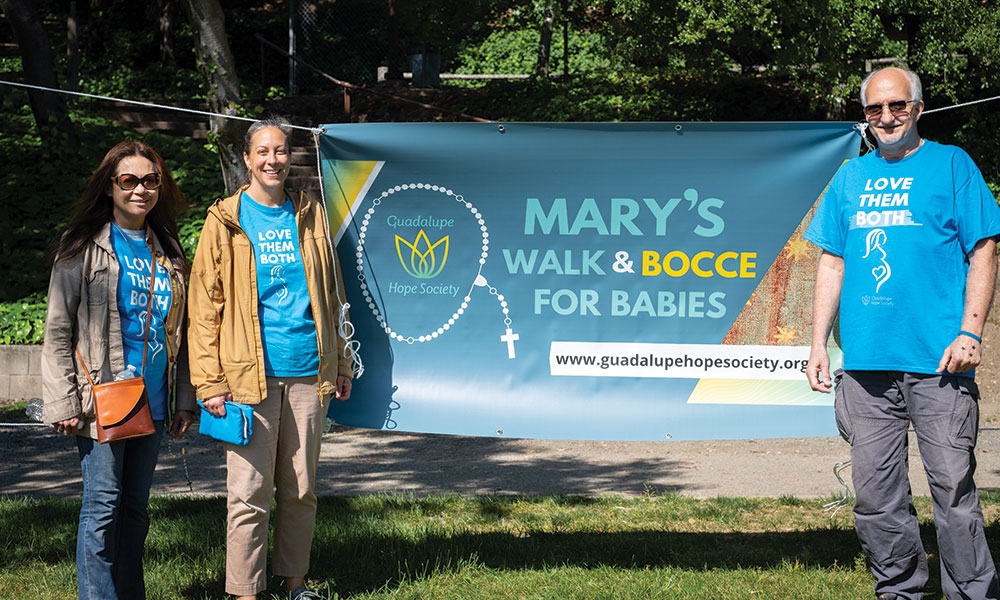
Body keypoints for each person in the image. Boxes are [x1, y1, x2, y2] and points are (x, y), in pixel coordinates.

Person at [805, 66, 1000, 600]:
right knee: (875, 496)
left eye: (897, 106)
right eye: (874, 109)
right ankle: (900, 591)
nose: (886, 118)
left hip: (941, 363)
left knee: (953, 493)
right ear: (865, 116)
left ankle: (972, 593)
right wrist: (819, 342)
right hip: (865, 366)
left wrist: (971, 332)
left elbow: (983, 250)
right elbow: (832, 262)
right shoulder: (850, 178)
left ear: (917, 107)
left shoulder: (952, 165)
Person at [187, 116, 355, 600]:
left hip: (308, 372)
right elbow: (204, 307)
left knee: (300, 490)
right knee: (247, 494)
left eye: (280, 151)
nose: (272, 160)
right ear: (246, 159)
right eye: (263, 151)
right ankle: (244, 591)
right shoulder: (225, 219)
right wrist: (208, 381)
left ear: (290, 157)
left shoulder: (310, 214)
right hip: (245, 378)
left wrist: (340, 360)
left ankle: (296, 583)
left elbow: (332, 290)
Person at [41, 139, 196, 600]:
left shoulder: (167, 250)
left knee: (135, 509)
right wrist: (64, 402)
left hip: (154, 399)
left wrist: (184, 397)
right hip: (102, 401)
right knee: (102, 507)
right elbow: (56, 331)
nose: (140, 190)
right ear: (110, 187)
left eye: (151, 181)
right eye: (128, 181)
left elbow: (181, 331)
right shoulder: (81, 248)